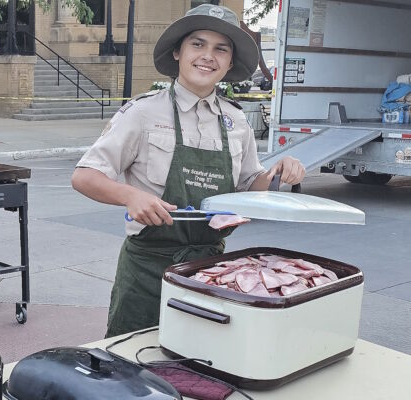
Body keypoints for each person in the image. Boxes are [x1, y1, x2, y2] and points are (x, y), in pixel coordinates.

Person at [71, 4, 305, 338]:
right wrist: (130, 195)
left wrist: (280, 174)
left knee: (200, 363)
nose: (208, 56)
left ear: (229, 62)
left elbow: (252, 185)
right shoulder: (143, 112)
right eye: (198, 44)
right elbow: (84, 176)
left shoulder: (237, 121)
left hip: (212, 270)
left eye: (220, 49)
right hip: (146, 272)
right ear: (178, 52)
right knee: (132, 367)